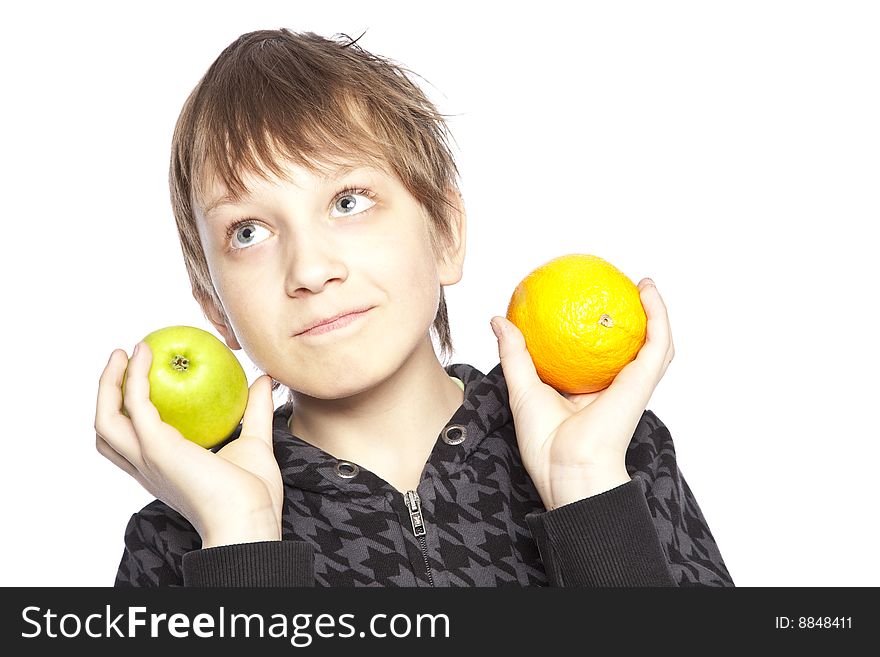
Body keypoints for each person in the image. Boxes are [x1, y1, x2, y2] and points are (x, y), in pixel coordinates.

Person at [94, 28, 734, 587]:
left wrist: (587, 489)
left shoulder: (615, 450)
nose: (311, 270)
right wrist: (241, 540)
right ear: (212, 300)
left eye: (348, 201)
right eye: (249, 232)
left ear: (446, 233)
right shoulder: (179, 542)